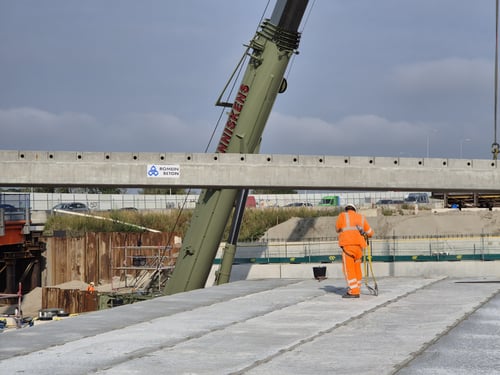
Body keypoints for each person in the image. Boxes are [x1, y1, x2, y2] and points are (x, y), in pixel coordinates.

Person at [335, 203, 374, 298]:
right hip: (359, 248)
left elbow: (337, 228)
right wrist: (363, 232)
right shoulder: (361, 217)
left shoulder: (342, 216)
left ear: (346, 209)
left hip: (348, 246)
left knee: (349, 269)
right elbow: (370, 233)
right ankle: (357, 287)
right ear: (355, 210)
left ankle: (354, 290)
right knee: (357, 268)